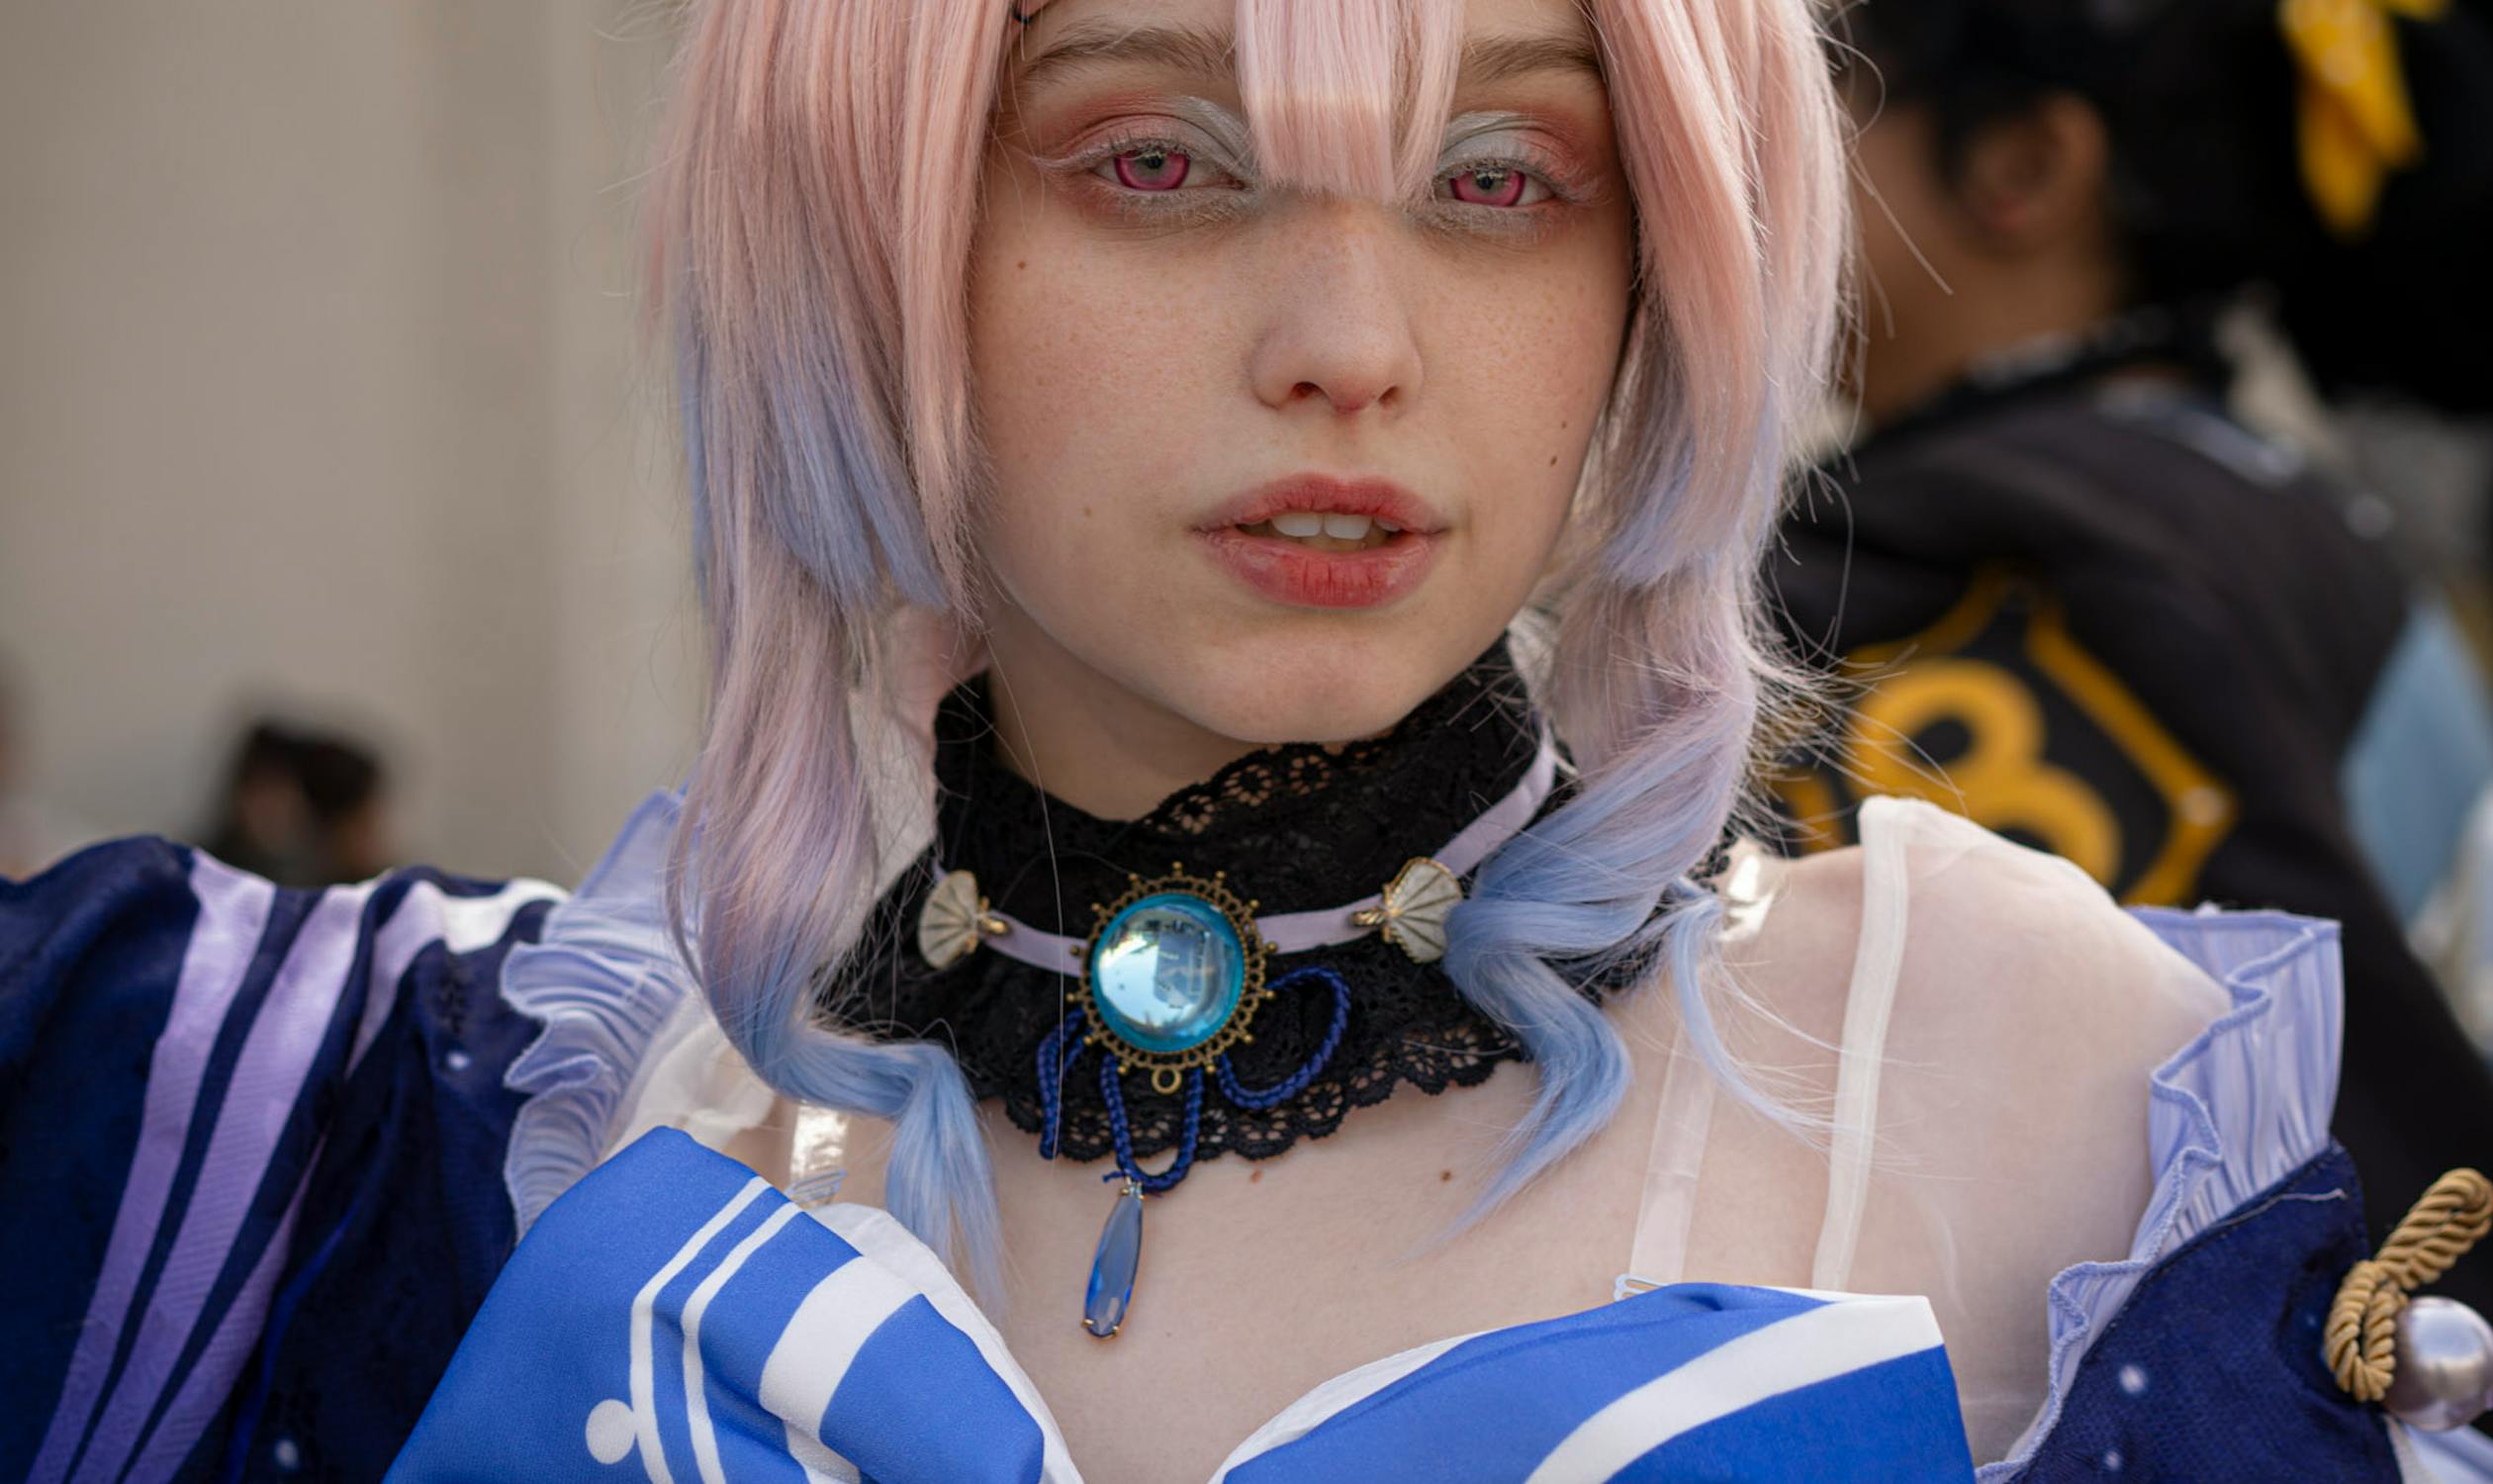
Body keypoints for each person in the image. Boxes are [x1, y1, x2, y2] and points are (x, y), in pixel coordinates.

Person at [5, 1, 2489, 1480]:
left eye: (1504, 172)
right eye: (1161, 158)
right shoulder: (390, 1133)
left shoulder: (2034, 1084)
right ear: (867, 230)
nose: (1351, 339)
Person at [1765, 0, 2493, 1301]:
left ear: (2024, 169)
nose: (1757, 157)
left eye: (1828, 92)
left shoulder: (1993, 580)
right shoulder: (2304, 523)